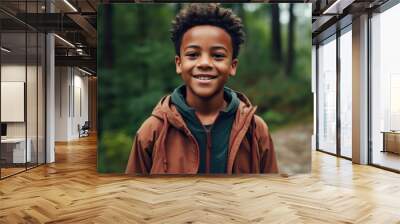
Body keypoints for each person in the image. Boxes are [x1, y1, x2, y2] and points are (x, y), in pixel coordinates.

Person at [126, 3, 278, 174]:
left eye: (218, 56)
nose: (205, 63)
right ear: (179, 63)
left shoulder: (256, 130)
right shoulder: (152, 131)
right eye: (193, 54)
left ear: (232, 66)